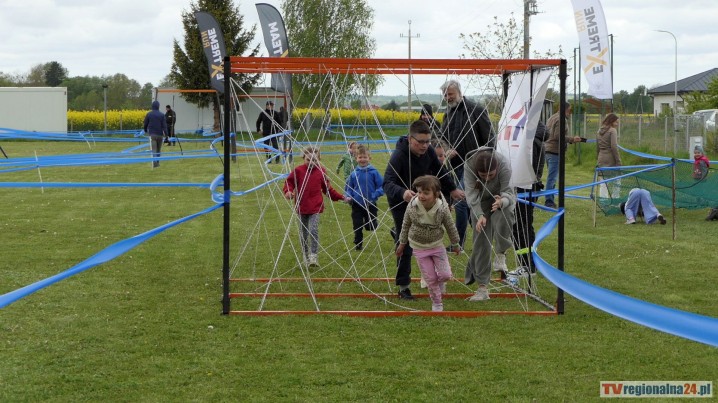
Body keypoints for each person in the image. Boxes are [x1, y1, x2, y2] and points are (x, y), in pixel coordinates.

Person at [384, 120, 464, 300]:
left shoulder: (429, 152)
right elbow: (387, 183)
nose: (425, 145)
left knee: (431, 232)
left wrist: (452, 189)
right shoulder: (399, 155)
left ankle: (435, 274)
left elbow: (440, 171)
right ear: (410, 139)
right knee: (404, 241)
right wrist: (403, 192)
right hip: (402, 201)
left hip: (425, 199)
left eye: (427, 141)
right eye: (420, 142)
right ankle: (403, 286)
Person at [439, 79, 495, 250]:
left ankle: (458, 243)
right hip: (455, 165)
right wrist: (447, 149)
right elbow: (442, 137)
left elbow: (490, 138)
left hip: (474, 164)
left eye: (450, 94)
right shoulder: (448, 113)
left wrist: (485, 162)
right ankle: (481, 237)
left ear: (459, 92)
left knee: (461, 201)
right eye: (445, 95)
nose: (448, 98)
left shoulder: (475, 110)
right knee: (469, 204)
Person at [396, 175, 461, 312]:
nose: (421, 196)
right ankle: (437, 303)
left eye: (426, 193)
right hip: (419, 248)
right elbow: (405, 225)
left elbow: (450, 226)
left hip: (437, 245)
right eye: (419, 192)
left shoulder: (442, 208)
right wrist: (402, 243)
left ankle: (440, 282)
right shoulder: (412, 206)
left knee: (445, 275)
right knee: (430, 279)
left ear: (436, 194)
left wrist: (455, 244)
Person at [464, 147, 516, 301]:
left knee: (506, 213)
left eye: (491, 175)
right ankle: (482, 288)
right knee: (481, 241)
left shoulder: (504, 165)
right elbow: (471, 195)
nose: (487, 179)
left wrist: (502, 201)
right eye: (482, 176)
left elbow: (509, 193)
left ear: (497, 168)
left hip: (501, 198)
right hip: (480, 202)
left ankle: (501, 253)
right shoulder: (469, 165)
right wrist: (480, 215)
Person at [283, 146, 345, 267]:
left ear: (319, 159)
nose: (312, 162)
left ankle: (313, 256)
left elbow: (327, 189)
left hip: (315, 207)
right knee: (303, 233)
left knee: (313, 230)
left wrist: (341, 197)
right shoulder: (298, 171)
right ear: (303, 158)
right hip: (302, 207)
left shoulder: (322, 171)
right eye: (308, 159)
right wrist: (288, 191)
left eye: (315, 160)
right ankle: (305, 255)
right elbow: (289, 182)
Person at [512, 120, 548, 275]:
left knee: (521, 226)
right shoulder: (532, 138)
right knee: (520, 225)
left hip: (525, 188)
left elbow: (527, 169)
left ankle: (528, 265)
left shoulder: (531, 141)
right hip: (524, 187)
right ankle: (527, 264)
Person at [344, 144, 384, 251]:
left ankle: (373, 223)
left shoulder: (374, 172)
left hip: (371, 203)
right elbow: (348, 188)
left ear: (369, 158)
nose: (362, 159)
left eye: (365, 157)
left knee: (370, 226)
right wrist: (348, 196)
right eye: (360, 157)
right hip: (357, 204)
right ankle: (358, 243)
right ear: (356, 158)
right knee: (357, 225)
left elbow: (382, 186)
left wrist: (375, 194)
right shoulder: (353, 174)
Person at [543, 102, 583, 208]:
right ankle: (549, 201)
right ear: (565, 109)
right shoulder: (561, 119)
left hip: (548, 149)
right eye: (569, 110)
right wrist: (572, 139)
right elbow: (558, 136)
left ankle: (550, 199)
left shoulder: (552, 117)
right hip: (555, 151)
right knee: (552, 178)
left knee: (551, 177)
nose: (570, 113)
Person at [597, 113, 622, 199]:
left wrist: (598, 158)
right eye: (616, 122)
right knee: (617, 180)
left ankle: (603, 201)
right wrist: (618, 161)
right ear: (611, 121)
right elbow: (614, 147)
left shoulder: (599, 131)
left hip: (601, 157)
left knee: (603, 182)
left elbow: (597, 147)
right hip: (610, 158)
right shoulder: (612, 131)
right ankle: (615, 200)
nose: (617, 124)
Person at [143, 100, 167, 168]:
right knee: (158, 150)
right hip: (160, 135)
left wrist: (145, 130)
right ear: (158, 106)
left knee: (154, 150)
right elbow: (164, 126)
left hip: (152, 135)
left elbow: (145, 124)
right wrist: (166, 135)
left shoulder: (149, 114)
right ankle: (157, 163)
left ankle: (155, 163)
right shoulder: (162, 115)